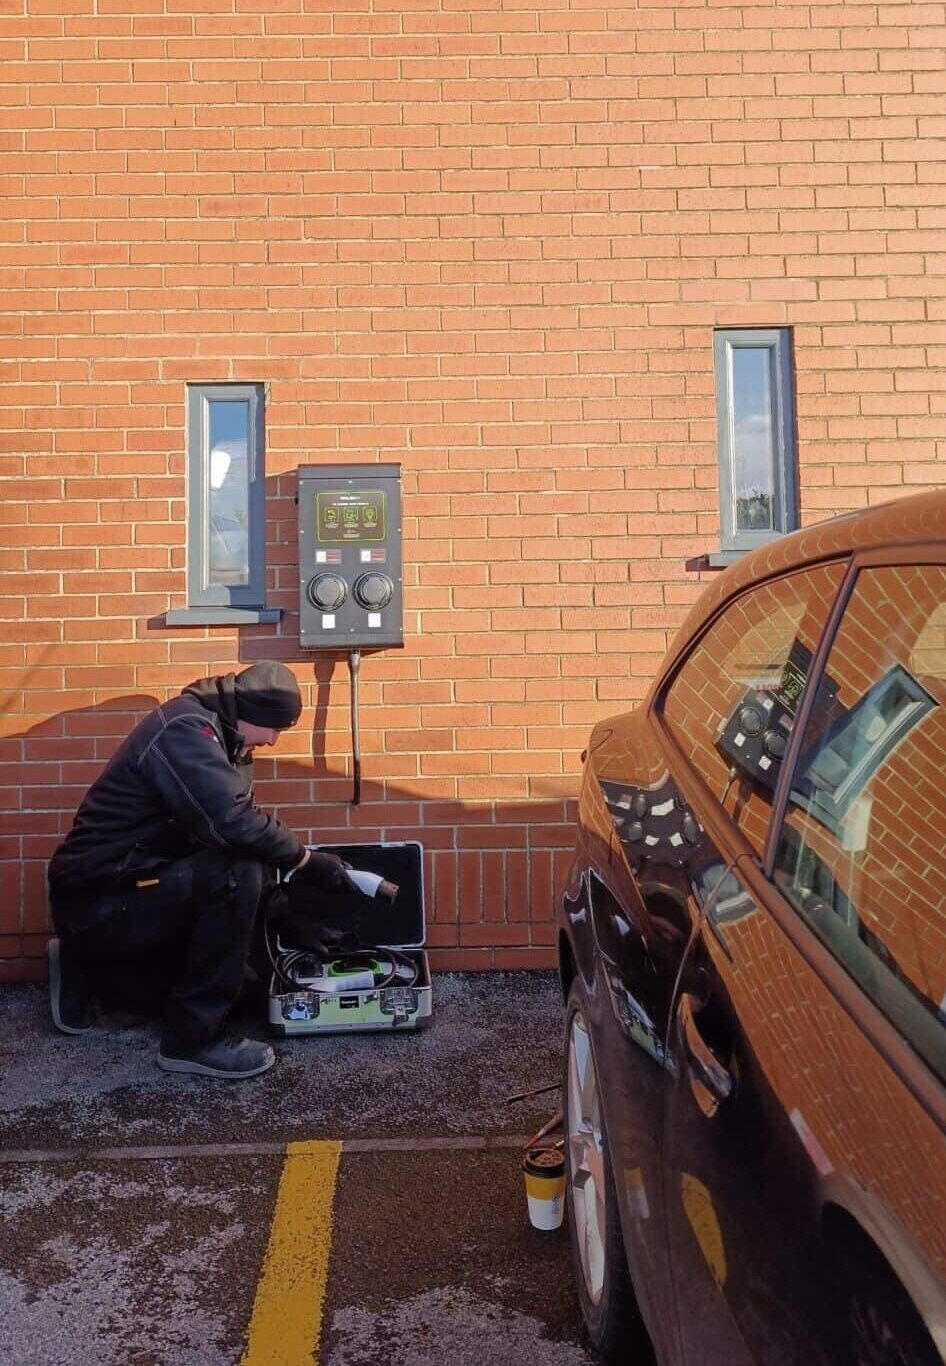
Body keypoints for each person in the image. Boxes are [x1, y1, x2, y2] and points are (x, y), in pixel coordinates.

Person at [46, 660, 348, 1080]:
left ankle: (87, 970)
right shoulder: (184, 730)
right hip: (99, 896)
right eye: (276, 729)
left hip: (141, 889)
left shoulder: (224, 740)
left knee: (244, 993)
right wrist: (306, 861)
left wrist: (282, 913)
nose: (275, 742)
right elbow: (233, 822)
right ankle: (191, 1042)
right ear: (254, 715)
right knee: (233, 874)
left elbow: (236, 835)